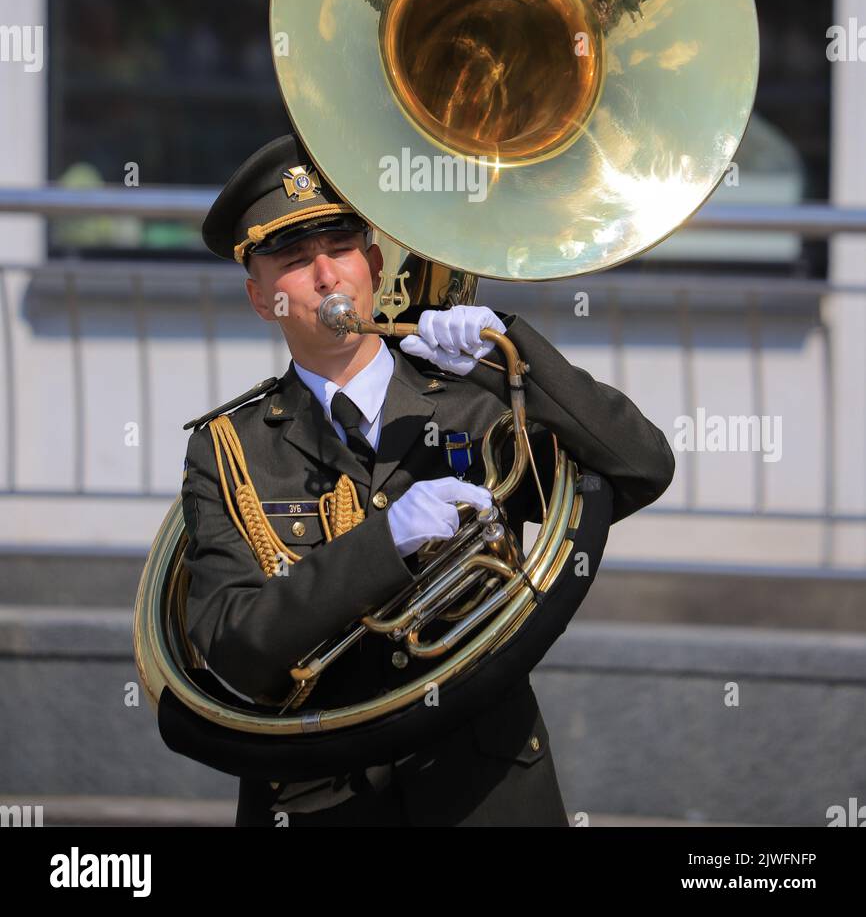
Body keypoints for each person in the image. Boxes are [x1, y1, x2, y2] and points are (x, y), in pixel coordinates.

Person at [179, 132, 676, 827]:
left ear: (374, 265)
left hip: (486, 790)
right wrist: (387, 543)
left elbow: (643, 467)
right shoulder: (227, 450)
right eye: (294, 261)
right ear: (262, 299)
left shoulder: (475, 398)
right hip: (321, 799)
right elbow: (235, 649)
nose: (326, 277)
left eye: (342, 249)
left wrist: (514, 350)